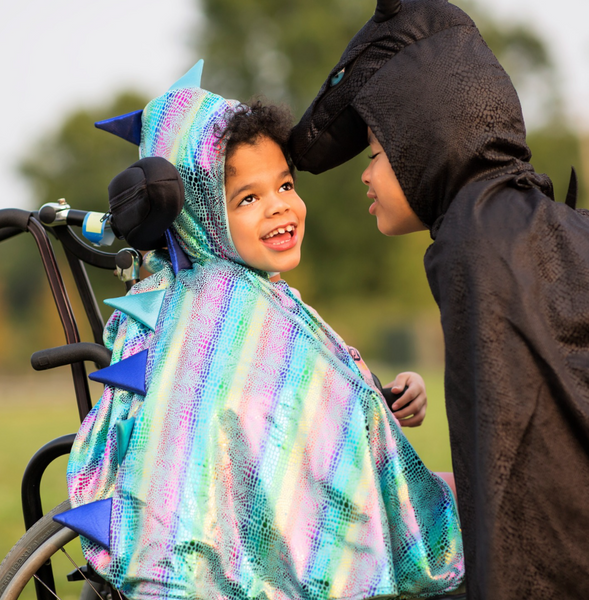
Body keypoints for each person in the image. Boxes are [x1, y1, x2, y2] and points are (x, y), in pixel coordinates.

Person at [65, 64, 465, 600]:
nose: (280, 205)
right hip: (273, 541)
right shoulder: (219, 306)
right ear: (200, 215)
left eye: (284, 184)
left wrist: (384, 398)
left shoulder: (240, 298)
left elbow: (317, 402)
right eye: (247, 198)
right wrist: (365, 411)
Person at [289, 0, 589, 598]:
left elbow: (523, 502)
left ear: (421, 140)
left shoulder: (479, 246)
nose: (366, 176)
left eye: (375, 153)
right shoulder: (521, 225)